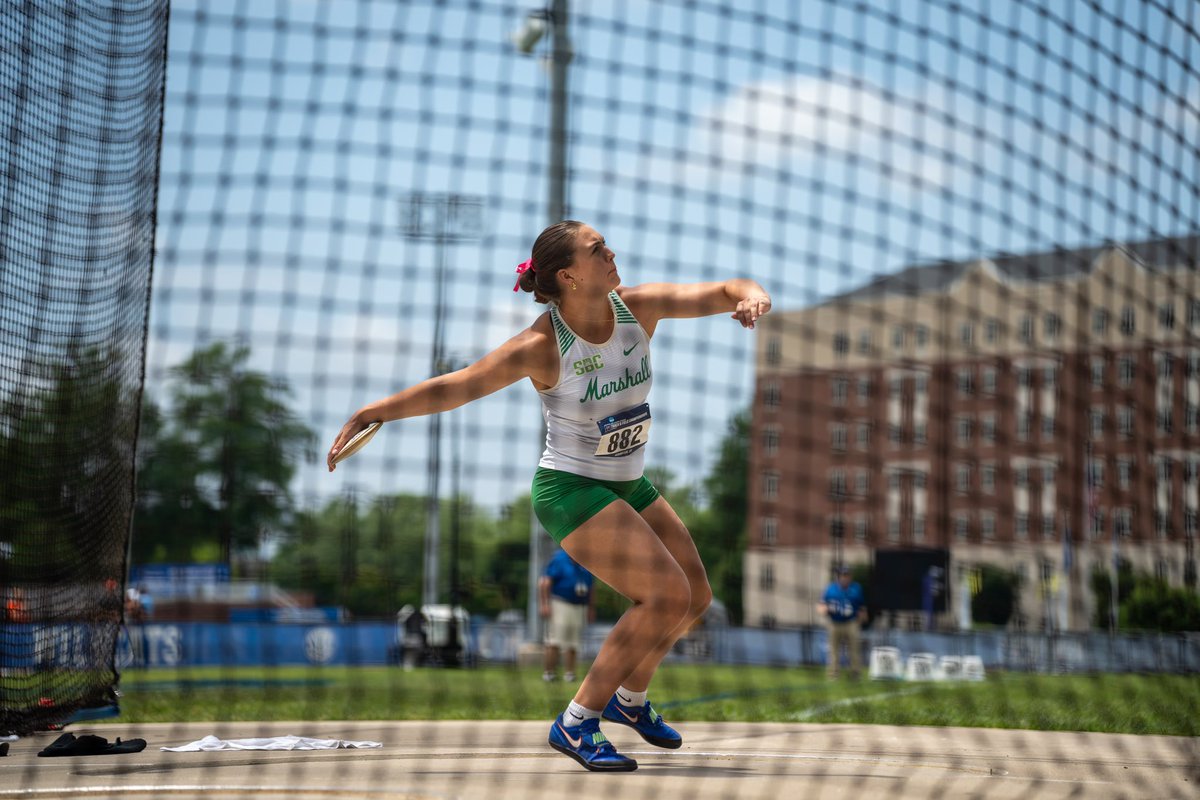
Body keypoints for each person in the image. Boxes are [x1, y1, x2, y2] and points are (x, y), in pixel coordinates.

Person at [328, 220, 771, 772]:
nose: (611, 252)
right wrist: (373, 411)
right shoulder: (542, 345)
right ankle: (577, 722)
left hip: (628, 482)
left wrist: (751, 295)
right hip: (571, 489)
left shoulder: (639, 307)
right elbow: (456, 386)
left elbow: (723, 291)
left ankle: (628, 701)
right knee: (661, 596)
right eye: (596, 249)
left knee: (695, 598)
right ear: (568, 275)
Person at [539, 547, 595, 683]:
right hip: (560, 603)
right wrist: (544, 604)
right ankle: (549, 673)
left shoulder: (587, 560)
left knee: (574, 642)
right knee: (554, 640)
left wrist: (591, 608)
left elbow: (592, 587)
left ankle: (570, 674)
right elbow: (545, 582)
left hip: (579, 605)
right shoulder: (559, 558)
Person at [817, 565, 867, 679]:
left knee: (854, 650)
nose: (845, 578)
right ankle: (833, 675)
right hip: (835, 623)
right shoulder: (830, 589)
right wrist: (823, 610)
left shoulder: (856, 589)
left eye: (847, 575)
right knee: (833, 651)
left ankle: (855, 674)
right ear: (838, 577)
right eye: (842, 575)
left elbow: (862, 608)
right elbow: (821, 605)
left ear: (850, 577)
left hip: (851, 623)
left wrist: (861, 620)